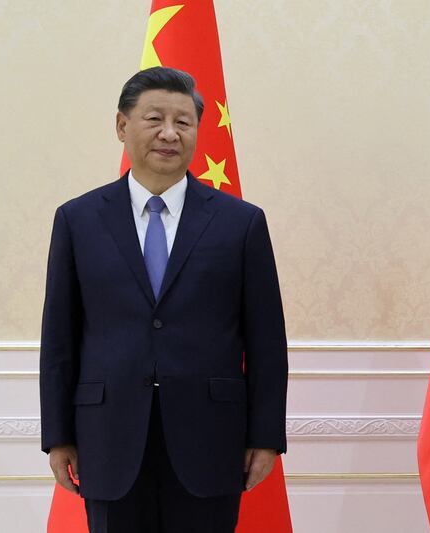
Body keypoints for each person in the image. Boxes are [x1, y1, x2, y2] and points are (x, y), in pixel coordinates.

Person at [39, 67, 288, 533]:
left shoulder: (241, 223)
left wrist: (266, 436)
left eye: (184, 122)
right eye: (154, 118)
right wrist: (57, 436)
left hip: (211, 438)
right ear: (121, 126)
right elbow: (59, 338)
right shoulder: (78, 220)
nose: (170, 134)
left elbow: (267, 341)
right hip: (108, 437)